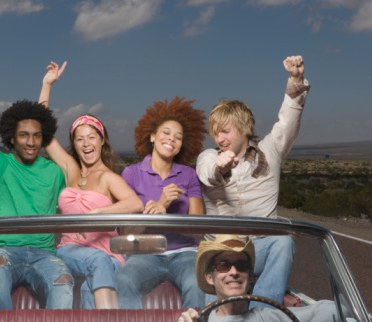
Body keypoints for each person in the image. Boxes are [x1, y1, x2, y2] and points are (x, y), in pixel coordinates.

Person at [196, 55, 310, 307]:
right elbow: (207, 174)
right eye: (215, 132)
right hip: (220, 248)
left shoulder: (270, 151)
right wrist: (220, 168)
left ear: (244, 127)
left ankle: (263, 312)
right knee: (212, 309)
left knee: (283, 241)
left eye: (225, 130)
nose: (219, 138)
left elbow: (288, 121)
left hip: (261, 247)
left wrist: (296, 79)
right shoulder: (208, 156)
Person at [0, 61, 73, 310]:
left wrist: (46, 86)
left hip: (45, 254)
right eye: (23, 135)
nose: (31, 141)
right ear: (11, 137)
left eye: (37, 136)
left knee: (63, 282)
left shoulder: (54, 170)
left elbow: (40, 118)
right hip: (5, 251)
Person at [38, 61, 143, 309]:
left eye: (92, 137)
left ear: (101, 140)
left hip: (108, 256)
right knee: (94, 263)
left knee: (90, 285)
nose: (86, 143)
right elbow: (42, 129)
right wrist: (46, 85)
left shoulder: (108, 177)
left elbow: (136, 203)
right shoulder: (70, 169)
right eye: (79, 138)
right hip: (69, 251)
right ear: (73, 144)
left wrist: (96, 213)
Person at [117, 97, 207, 309]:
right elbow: (124, 231)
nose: (171, 139)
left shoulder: (189, 175)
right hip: (144, 253)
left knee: (197, 284)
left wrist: (165, 210)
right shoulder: (131, 174)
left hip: (185, 253)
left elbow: (199, 230)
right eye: (166, 133)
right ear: (152, 136)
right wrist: (159, 206)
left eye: (178, 137)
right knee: (124, 280)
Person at [178, 235, 339, 321]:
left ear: (249, 277)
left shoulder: (269, 316)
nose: (234, 272)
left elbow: (333, 308)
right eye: (224, 266)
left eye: (241, 266)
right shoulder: (199, 320)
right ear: (209, 278)